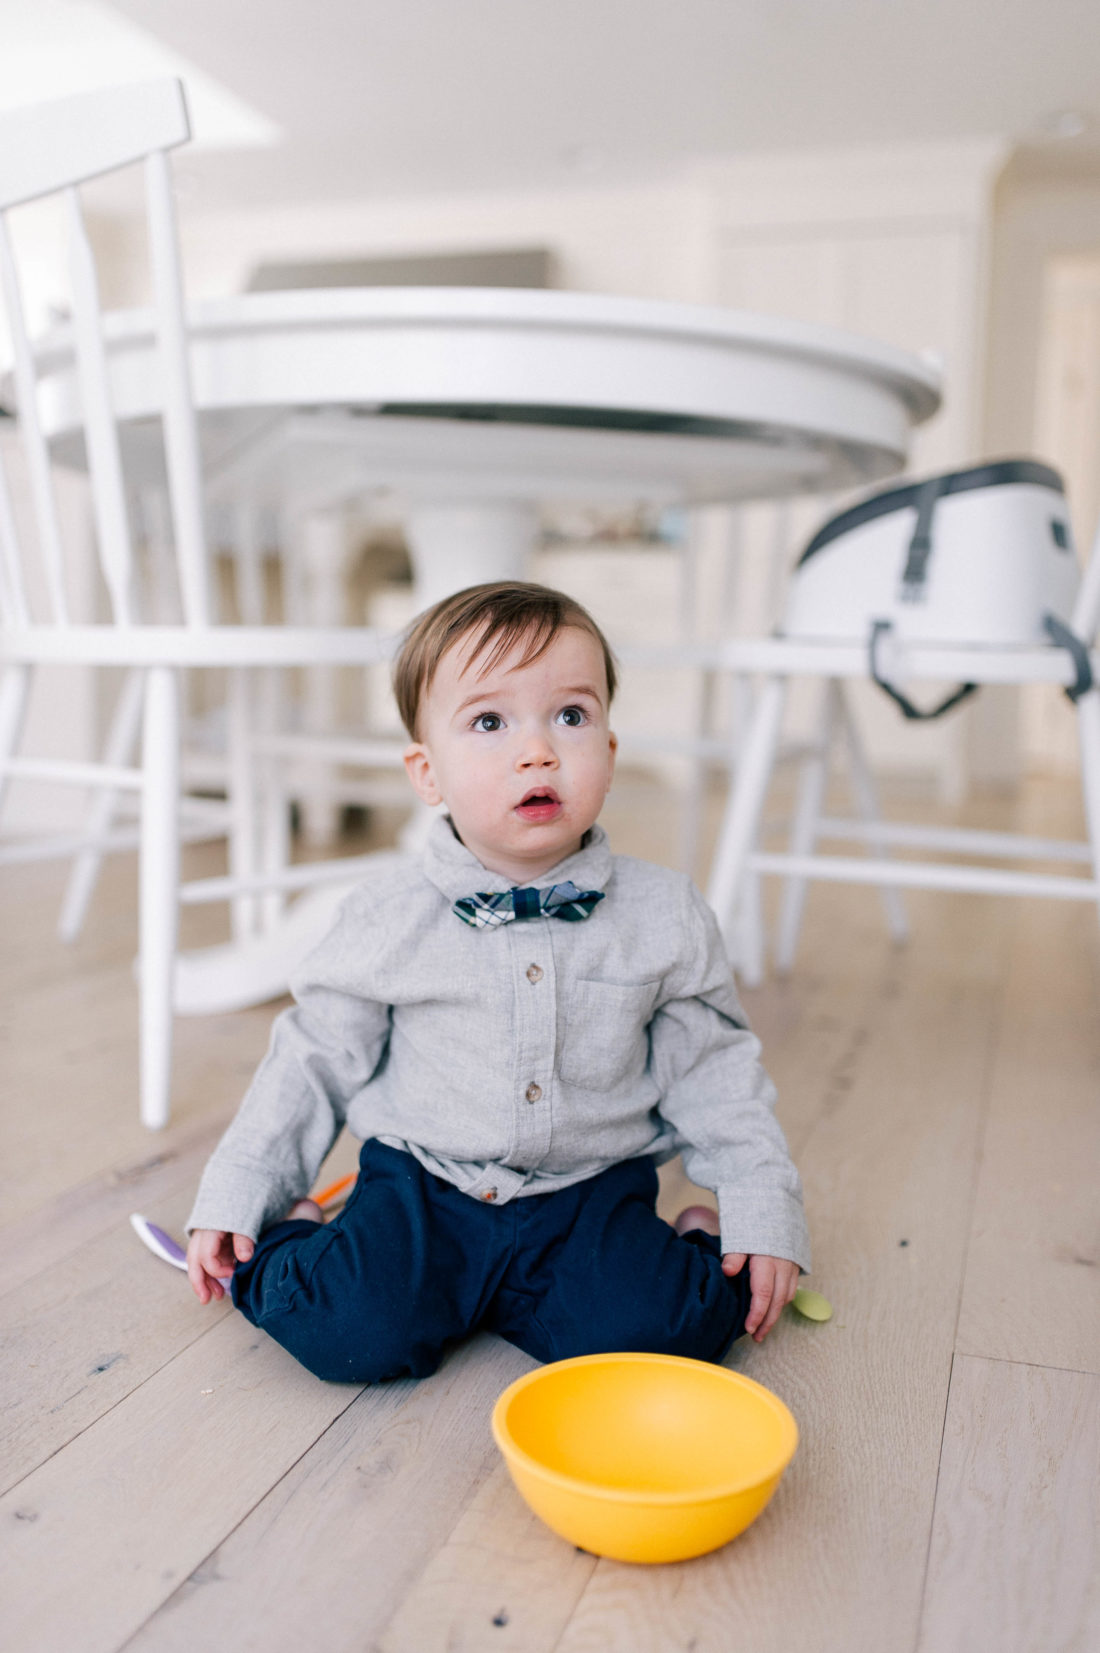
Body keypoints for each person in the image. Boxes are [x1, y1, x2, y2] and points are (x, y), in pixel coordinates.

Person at [186, 582, 810, 1383]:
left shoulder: (665, 915)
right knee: (346, 1329)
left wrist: (759, 1205)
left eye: (571, 716)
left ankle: (691, 1239)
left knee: (669, 1334)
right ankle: (301, 1233)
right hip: (424, 1188)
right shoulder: (386, 916)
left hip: (586, 1193)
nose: (538, 750)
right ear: (428, 773)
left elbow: (715, 1073)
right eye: (490, 721)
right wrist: (245, 1190)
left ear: (610, 755)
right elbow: (310, 1062)